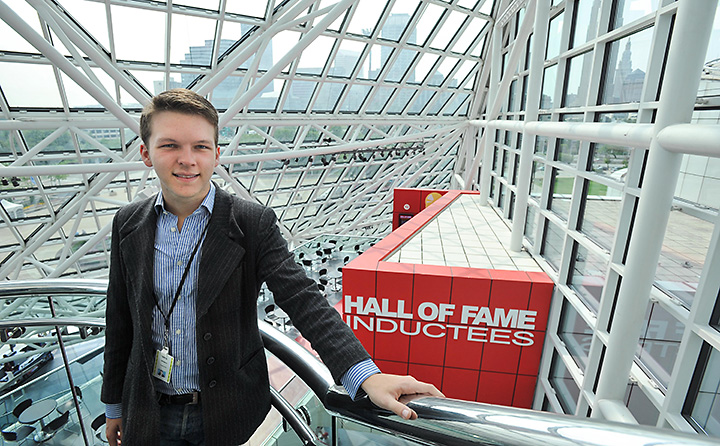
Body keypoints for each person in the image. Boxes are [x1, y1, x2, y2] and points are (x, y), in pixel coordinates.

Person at [101, 89, 442, 446]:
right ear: (145, 152)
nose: (187, 160)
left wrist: (365, 375)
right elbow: (119, 319)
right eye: (170, 145)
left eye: (200, 147)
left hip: (225, 411)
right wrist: (113, 405)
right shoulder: (128, 223)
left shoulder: (250, 223)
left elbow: (302, 298)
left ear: (216, 155)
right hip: (149, 408)